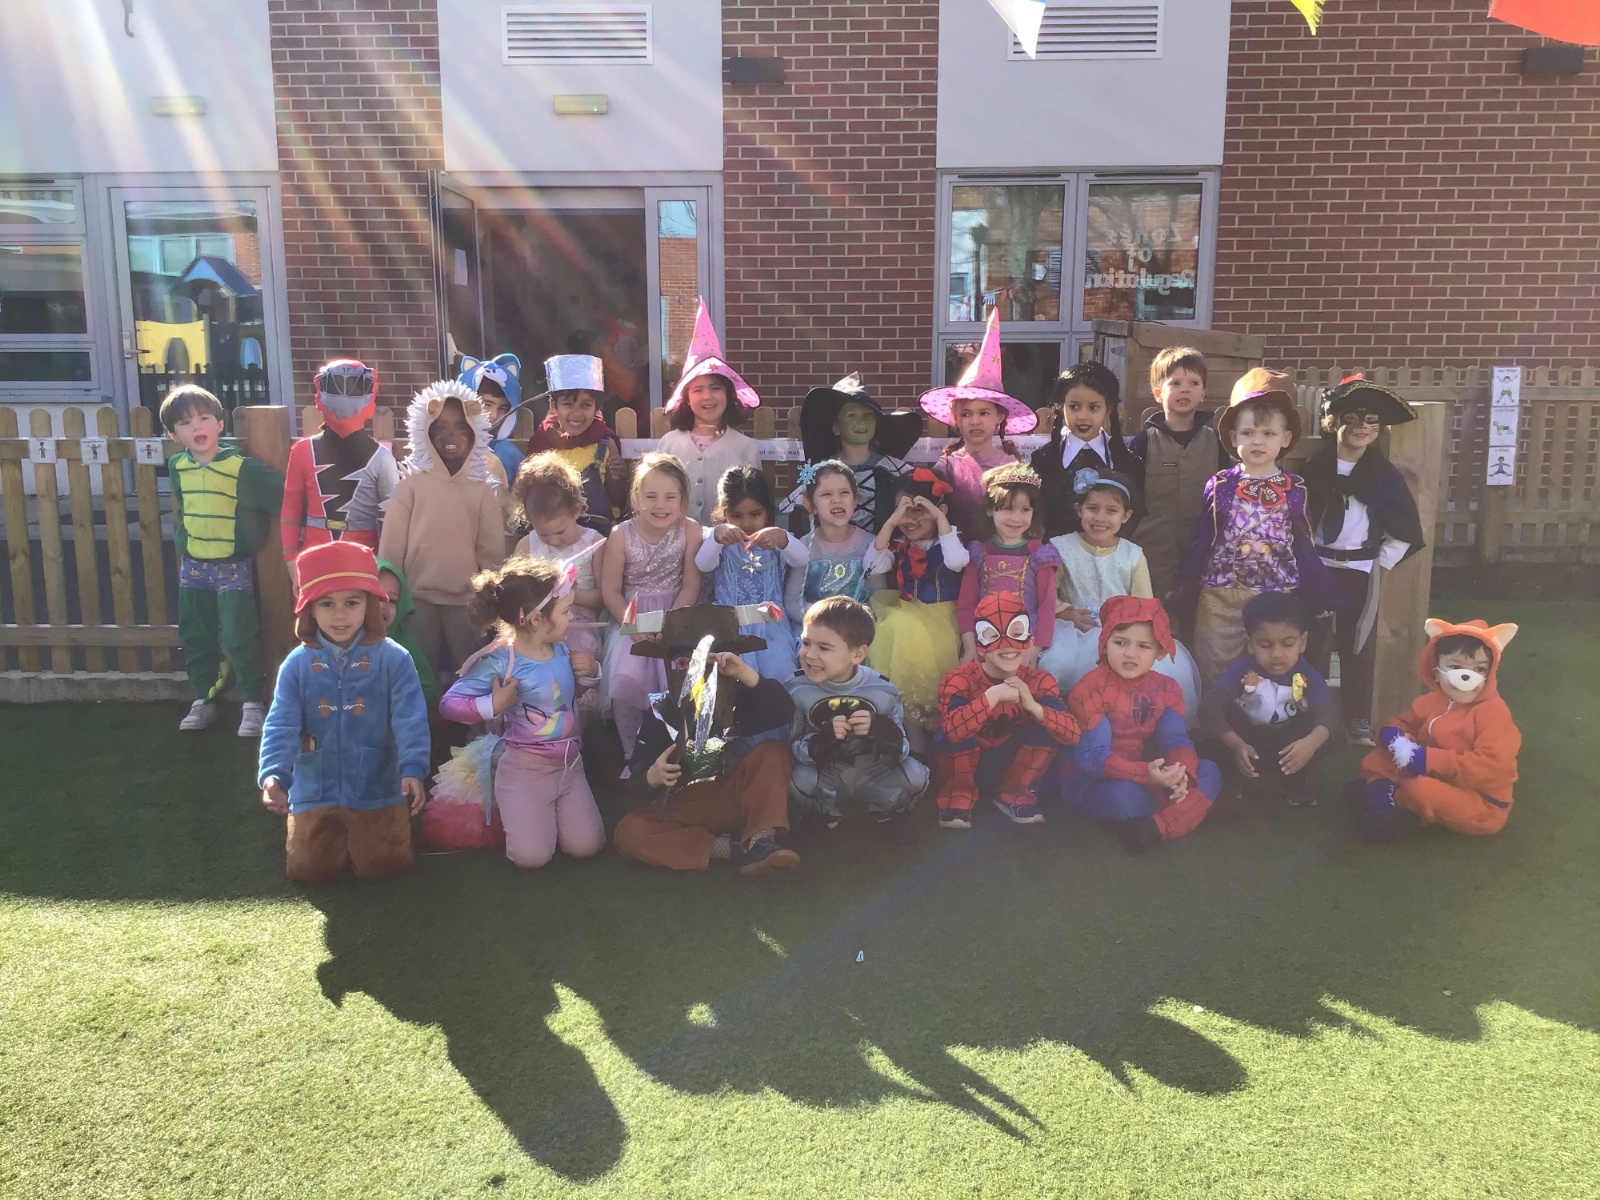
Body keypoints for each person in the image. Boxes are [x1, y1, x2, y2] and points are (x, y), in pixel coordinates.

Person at [257, 542, 430, 882]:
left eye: (352, 602)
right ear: (310, 610)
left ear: (370, 605)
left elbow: (410, 718)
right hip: (315, 788)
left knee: (385, 865)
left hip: (377, 786)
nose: (339, 615)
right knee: (309, 870)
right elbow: (281, 723)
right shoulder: (296, 665)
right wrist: (274, 774)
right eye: (327, 604)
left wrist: (412, 768)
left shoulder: (394, 658)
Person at [1168, 367, 1343, 686]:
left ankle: (1268, 716)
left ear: (1285, 438)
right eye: (1248, 433)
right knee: (1213, 666)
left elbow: (1303, 544)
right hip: (1220, 594)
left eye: (1268, 434)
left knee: (1270, 669)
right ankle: (1216, 717)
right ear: (1234, 437)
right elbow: (1202, 538)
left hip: (1274, 595)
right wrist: (1181, 587)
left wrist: (1320, 591)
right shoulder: (1221, 485)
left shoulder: (1295, 489)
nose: (1257, 441)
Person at [437, 556, 605, 869]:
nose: (571, 617)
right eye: (566, 611)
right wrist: (493, 704)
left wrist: (591, 673)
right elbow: (449, 703)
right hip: (525, 771)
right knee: (531, 858)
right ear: (537, 619)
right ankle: (517, 805)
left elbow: (563, 702)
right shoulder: (502, 660)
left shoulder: (561, 650)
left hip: (571, 767)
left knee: (586, 846)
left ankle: (546, 813)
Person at [614, 606, 800, 876]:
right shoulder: (660, 711)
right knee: (629, 832)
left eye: (712, 661)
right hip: (685, 806)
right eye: (684, 663)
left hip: (735, 795)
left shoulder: (739, 698)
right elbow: (638, 778)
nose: (698, 672)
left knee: (773, 753)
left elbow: (783, 711)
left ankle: (761, 840)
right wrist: (653, 776)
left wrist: (745, 674)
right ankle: (729, 849)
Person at [1303, 375, 1426, 745]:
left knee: (1356, 645)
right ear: (1333, 421)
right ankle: (1310, 714)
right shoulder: (1315, 469)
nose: (1361, 427)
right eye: (1352, 419)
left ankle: (1355, 717)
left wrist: (1379, 564)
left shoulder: (1382, 475)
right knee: (1311, 642)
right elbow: (1297, 520)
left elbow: (1405, 527)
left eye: (1371, 421)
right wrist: (1306, 564)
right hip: (1318, 568)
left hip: (1360, 569)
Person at [162, 383, 284, 736]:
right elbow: (184, 508)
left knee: (238, 634)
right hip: (193, 566)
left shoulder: (242, 468)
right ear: (173, 434)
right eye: (185, 423)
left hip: (232, 566)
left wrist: (254, 532)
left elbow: (286, 494)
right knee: (196, 633)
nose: (196, 427)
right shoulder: (177, 466)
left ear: (219, 424)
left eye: (203, 418)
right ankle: (203, 699)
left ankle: (252, 703)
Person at [1060, 596, 1222, 854]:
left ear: (1159, 651)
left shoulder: (1166, 688)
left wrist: (1181, 775)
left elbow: (1175, 740)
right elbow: (1092, 758)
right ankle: (1192, 808)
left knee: (1208, 771)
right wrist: (1147, 774)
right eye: (1120, 642)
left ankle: (1154, 828)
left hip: (1151, 772)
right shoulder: (1090, 689)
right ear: (1105, 643)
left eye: (1144, 646)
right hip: (1095, 779)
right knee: (1121, 797)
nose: (1130, 653)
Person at [1038, 468, 1200, 713]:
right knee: (1060, 664)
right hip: (1076, 630)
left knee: (1156, 666)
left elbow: (1145, 604)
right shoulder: (1060, 548)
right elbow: (1047, 594)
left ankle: (1131, 718)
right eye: (1093, 508)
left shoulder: (1132, 554)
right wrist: (1065, 612)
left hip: (1122, 630)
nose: (1100, 518)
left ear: (1126, 516)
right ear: (1079, 510)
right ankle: (1067, 716)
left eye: (1111, 511)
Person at [377, 379, 505, 678]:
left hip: (466, 603)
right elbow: (391, 551)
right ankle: (423, 710)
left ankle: (473, 710)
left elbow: (492, 555)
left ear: (475, 432)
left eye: (461, 428)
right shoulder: (410, 487)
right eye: (440, 428)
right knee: (416, 670)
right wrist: (389, 599)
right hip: (416, 601)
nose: (451, 437)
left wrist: (491, 600)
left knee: (472, 670)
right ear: (424, 431)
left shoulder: (481, 492)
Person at [1351, 619, 1522, 842]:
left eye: (1479, 669)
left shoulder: (1494, 713)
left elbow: (1490, 766)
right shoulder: (1432, 700)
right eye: (1455, 667)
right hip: (1437, 776)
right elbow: (1404, 722)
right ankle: (1382, 804)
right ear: (1436, 670)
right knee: (1381, 756)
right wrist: (1392, 733)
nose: (1466, 676)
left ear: (1490, 673)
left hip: (1481, 801)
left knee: (1421, 790)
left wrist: (1427, 760)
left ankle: (1390, 804)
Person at [931, 591, 1080, 829]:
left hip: (1011, 763)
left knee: (1048, 723)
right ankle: (957, 797)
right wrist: (992, 697)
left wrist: (1034, 707)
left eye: (1016, 633)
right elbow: (951, 732)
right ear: (980, 645)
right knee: (956, 727)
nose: (1007, 644)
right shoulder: (959, 678)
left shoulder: (1039, 681)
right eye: (993, 635)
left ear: (1029, 640)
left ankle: (1014, 794)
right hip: (965, 763)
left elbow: (1072, 734)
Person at [786, 597, 928, 843]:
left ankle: (888, 811)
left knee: (917, 775)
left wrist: (884, 732)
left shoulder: (883, 690)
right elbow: (794, 748)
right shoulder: (796, 688)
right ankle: (822, 813)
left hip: (874, 769)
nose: (810, 655)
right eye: (806, 643)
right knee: (797, 779)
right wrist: (823, 741)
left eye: (824, 648)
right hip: (827, 772)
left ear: (858, 653)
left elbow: (903, 751)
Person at [599, 452, 702, 762]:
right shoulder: (621, 535)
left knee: (678, 680)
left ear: (683, 500)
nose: (661, 505)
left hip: (676, 613)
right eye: (651, 496)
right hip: (632, 617)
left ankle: (674, 752)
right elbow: (610, 591)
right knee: (626, 678)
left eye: (670, 497)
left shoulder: (690, 530)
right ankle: (633, 754)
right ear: (636, 497)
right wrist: (632, 624)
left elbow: (691, 585)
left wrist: (669, 623)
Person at [1197, 591, 1336, 809]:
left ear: (1302, 643)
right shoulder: (1243, 670)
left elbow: (1328, 713)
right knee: (1216, 718)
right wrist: (1237, 745)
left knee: (1327, 729)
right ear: (1250, 644)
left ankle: (1295, 780)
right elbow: (1209, 706)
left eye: (1287, 644)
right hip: (1247, 741)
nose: (1277, 654)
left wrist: (1310, 744)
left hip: (1288, 744)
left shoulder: (1306, 674)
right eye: (1265, 644)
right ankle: (1231, 777)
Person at [920, 310, 1039, 542]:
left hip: (1000, 554)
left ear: (999, 417)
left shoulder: (1011, 466)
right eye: (966, 414)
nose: (975, 421)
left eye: (984, 413)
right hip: (954, 553)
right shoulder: (948, 466)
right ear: (957, 419)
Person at [866, 468, 969, 735]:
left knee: (904, 632)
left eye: (919, 510)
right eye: (903, 511)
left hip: (942, 621)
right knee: (896, 636)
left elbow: (956, 562)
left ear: (940, 510)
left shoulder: (951, 542)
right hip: (906, 618)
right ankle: (911, 737)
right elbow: (872, 566)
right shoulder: (900, 545)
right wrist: (890, 523)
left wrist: (939, 517)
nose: (910, 519)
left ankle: (939, 737)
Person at [1124, 346, 1231, 601]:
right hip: (1153, 553)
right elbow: (1129, 498)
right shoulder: (1143, 443)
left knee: (1198, 611)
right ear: (1158, 393)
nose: (1185, 389)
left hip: (1202, 553)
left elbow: (1227, 498)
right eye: (1175, 383)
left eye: (1194, 383)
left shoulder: (1215, 443)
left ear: (1203, 393)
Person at [280, 358, 398, 588]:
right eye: (336, 385)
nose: (345, 394)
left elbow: (392, 521)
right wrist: (291, 560)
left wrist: (386, 567)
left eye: (354, 387)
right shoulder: (303, 451)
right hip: (316, 558)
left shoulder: (382, 458)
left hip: (364, 560)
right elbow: (290, 508)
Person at [656, 298, 763, 524]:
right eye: (698, 390)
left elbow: (755, 502)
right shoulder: (669, 444)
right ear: (686, 399)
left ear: (728, 394)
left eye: (715, 388)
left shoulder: (744, 447)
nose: (707, 397)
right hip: (677, 540)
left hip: (727, 541)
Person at [697, 466, 803, 682]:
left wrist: (783, 539)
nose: (746, 523)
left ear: (767, 512)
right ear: (724, 513)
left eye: (755, 514)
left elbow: (802, 559)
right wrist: (716, 537)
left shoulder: (777, 539)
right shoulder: (719, 541)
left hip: (771, 625)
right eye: (736, 516)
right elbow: (703, 565)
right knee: (735, 680)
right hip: (730, 626)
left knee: (779, 675)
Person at [781, 373, 921, 532]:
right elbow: (801, 515)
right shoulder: (821, 472)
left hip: (884, 546)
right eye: (852, 415)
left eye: (868, 415)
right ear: (836, 427)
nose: (861, 422)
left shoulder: (895, 470)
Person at [955, 463, 1061, 666]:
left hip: (1027, 640)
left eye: (1025, 510)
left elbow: (1047, 607)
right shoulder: (978, 553)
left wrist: (1034, 650)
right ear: (990, 510)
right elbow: (966, 604)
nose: (1016, 518)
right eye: (1007, 509)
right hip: (985, 638)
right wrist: (970, 648)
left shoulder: (1040, 555)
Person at [1029, 361, 1143, 540]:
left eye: (1093, 407)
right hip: (1053, 553)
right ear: (1062, 407)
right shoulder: (1044, 460)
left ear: (1108, 409)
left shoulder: (1125, 462)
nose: (1083, 416)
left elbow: (1135, 515)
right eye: (1074, 407)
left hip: (1108, 554)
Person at [511, 453, 607, 666]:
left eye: (560, 531)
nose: (553, 540)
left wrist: (566, 593)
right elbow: (517, 597)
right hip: (538, 631)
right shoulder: (526, 546)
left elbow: (603, 597)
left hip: (580, 628)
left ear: (576, 511)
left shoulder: (594, 543)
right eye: (544, 534)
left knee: (579, 664)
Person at [524, 353, 627, 536]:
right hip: (552, 538)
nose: (577, 413)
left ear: (596, 408)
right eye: (568, 404)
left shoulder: (605, 443)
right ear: (553, 406)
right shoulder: (542, 443)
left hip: (598, 537)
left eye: (586, 405)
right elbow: (531, 499)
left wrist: (617, 478)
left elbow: (616, 501)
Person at [783, 461, 880, 635]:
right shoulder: (804, 547)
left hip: (859, 631)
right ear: (810, 505)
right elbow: (792, 601)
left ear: (855, 500)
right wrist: (821, 618)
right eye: (826, 494)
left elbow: (879, 598)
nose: (837, 500)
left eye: (844, 493)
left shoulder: (870, 545)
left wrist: (857, 623)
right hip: (817, 630)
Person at [374, 556, 440, 712]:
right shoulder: (339, 642)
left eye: (392, 601)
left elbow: (429, 692)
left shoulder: (404, 645)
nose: (383, 606)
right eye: (376, 597)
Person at [456, 353, 527, 487]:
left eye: (503, 408)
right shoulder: (441, 447)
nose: (494, 415)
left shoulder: (509, 454)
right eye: (486, 404)